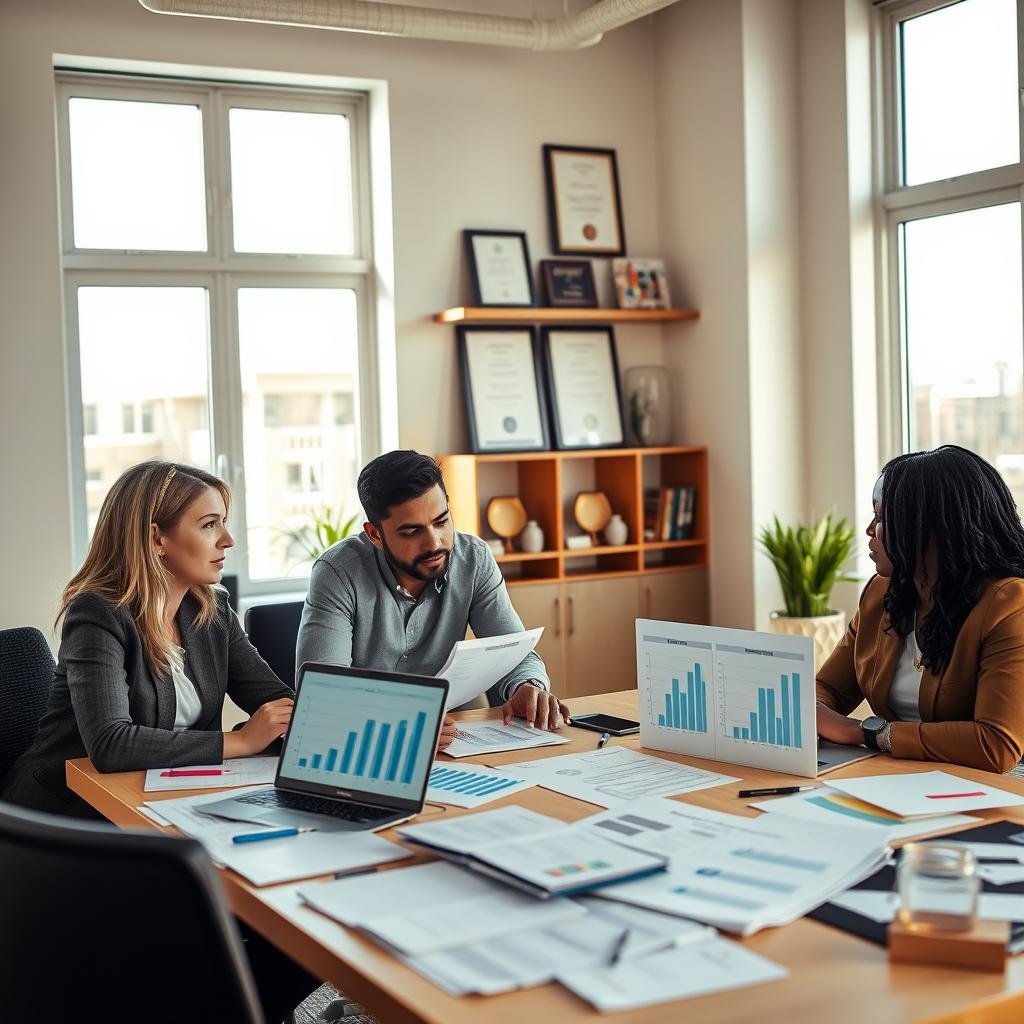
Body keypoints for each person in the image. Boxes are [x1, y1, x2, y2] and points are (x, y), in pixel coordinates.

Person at [0, 459, 320, 1024]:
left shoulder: (211, 609)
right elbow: (111, 744)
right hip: (71, 830)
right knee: (233, 936)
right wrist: (239, 743)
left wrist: (381, 720)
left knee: (295, 917)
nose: (228, 540)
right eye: (209, 525)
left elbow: (278, 704)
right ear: (156, 537)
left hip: (169, 811)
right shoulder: (96, 614)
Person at [297, 450, 570, 748]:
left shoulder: (473, 559)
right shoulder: (337, 573)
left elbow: (513, 650)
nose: (434, 543)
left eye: (441, 521)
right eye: (412, 531)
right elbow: (322, 693)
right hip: (368, 743)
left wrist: (527, 685)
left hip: (459, 739)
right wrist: (404, 720)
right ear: (375, 534)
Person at [815, 445, 1024, 774]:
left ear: (931, 528)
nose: (870, 529)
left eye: (882, 517)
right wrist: (815, 713)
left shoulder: (1009, 604)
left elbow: (996, 744)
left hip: (996, 790)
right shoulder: (882, 593)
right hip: (905, 778)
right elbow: (828, 688)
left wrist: (867, 734)